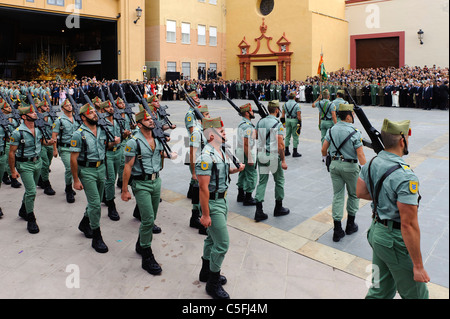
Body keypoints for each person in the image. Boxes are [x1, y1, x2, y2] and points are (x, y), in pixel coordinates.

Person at [356, 119, 430, 299]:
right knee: (417, 295)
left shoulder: (372, 163)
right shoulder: (405, 176)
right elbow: (409, 225)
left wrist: (385, 198)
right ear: (402, 141)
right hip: (394, 241)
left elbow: (360, 192)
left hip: (377, 233)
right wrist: (418, 266)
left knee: (380, 290)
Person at [121, 108, 178, 275]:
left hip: (156, 181)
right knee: (148, 220)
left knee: (152, 216)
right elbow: (127, 167)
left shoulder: (157, 137)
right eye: (147, 120)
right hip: (141, 183)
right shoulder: (133, 142)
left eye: (151, 119)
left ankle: (140, 243)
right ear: (139, 124)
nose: (152, 121)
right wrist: (125, 190)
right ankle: (146, 254)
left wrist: (169, 156)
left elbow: (158, 153)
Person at [196, 117, 244, 299]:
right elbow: (203, 188)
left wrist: (234, 170)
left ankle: (205, 272)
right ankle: (212, 283)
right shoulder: (205, 157)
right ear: (210, 135)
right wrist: (206, 215)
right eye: (221, 132)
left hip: (222, 201)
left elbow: (219, 174)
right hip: (213, 204)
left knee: (211, 239)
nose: (224, 134)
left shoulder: (220, 151)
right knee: (222, 243)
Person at [70, 103, 121, 253]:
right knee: (95, 204)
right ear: (83, 117)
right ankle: (96, 237)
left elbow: (106, 147)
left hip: (101, 168)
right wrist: (76, 179)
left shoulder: (102, 129)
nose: (95, 114)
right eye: (91, 113)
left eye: (94, 111)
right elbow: (73, 159)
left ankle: (84, 223)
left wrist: (116, 142)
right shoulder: (78, 134)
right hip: (87, 171)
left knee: (96, 201)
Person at [321, 104, 366, 242]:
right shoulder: (355, 131)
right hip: (350, 167)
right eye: (352, 114)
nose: (353, 116)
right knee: (353, 194)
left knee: (338, 195)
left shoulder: (332, 129)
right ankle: (350, 225)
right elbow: (360, 154)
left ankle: (337, 229)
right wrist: (365, 171)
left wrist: (326, 160)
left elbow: (324, 149)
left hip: (334, 165)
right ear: (348, 116)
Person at [8, 104, 56, 233]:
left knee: (31, 189)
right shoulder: (17, 132)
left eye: (35, 112)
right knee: (31, 192)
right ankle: (31, 219)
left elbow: (42, 142)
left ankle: (23, 210)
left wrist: (49, 142)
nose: (35, 114)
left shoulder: (39, 129)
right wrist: (13, 171)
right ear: (24, 116)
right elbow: (12, 152)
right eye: (31, 113)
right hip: (24, 165)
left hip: (37, 162)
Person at [254, 100, 290, 222]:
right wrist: (283, 160)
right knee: (279, 180)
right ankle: (278, 207)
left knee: (262, 182)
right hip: (273, 156)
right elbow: (280, 144)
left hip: (262, 154)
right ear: (276, 110)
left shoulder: (260, 121)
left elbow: (255, 136)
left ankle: (259, 210)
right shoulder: (278, 124)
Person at [52, 99, 80, 203]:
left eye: (70, 105)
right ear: (62, 108)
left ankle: (69, 186)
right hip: (65, 148)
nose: (69, 107)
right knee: (69, 168)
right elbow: (54, 135)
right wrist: (54, 149)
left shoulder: (77, 118)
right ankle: (69, 189)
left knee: (76, 169)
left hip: (77, 148)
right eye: (66, 106)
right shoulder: (59, 120)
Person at [188, 104, 210, 234]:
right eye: (207, 115)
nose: (209, 117)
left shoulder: (204, 130)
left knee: (198, 193)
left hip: (204, 166)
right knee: (203, 193)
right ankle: (202, 225)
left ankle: (194, 218)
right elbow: (192, 153)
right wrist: (194, 173)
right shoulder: (196, 132)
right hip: (199, 168)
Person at [236, 103, 258, 206]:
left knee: (243, 172)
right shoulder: (247, 126)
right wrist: (250, 158)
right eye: (251, 111)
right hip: (246, 151)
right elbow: (246, 143)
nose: (253, 112)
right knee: (251, 174)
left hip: (240, 150)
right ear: (247, 113)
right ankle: (248, 197)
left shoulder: (242, 123)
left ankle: (240, 195)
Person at [281, 92, 302, 157]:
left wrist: (283, 123)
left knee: (287, 135)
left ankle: (286, 150)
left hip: (287, 120)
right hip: (294, 120)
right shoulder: (297, 105)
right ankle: (295, 152)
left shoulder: (284, 104)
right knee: (295, 136)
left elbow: (282, 115)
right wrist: (300, 124)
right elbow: (299, 116)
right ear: (294, 97)